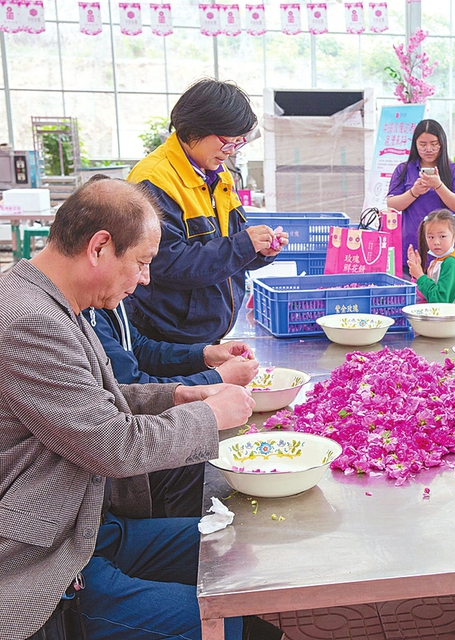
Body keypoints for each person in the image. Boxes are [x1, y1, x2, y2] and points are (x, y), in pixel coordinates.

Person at [0, 178, 282, 640]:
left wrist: (180, 396)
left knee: (240, 548)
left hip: (92, 529)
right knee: (226, 622)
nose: (146, 278)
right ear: (100, 247)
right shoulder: (29, 320)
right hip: (52, 558)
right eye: (142, 262)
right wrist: (211, 415)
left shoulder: (50, 299)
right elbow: (110, 444)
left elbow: (95, 399)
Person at [125, 78, 288, 345]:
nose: (231, 151)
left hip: (205, 332)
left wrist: (257, 251)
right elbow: (166, 263)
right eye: (227, 142)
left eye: (239, 142)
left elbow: (224, 243)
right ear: (195, 130)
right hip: (166, 336)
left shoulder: (216, 173)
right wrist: (241, 246)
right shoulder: (154, 180)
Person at [90, 300, 260, 518]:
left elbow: (137, 347)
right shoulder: (65, 318)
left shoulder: (104, 303)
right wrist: (214, 386)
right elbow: (126, 398)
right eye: (141, 265)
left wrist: (205, 355)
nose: (145, 280)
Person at [385, 119, 455, 258]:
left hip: (445, 249)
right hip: (411, 245)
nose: (428, 149)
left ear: (442, 144)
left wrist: (438, 185)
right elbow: (392, 205)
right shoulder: (404, 169)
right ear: (415, 145)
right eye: (422, 144)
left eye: (434, 144)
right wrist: (414, 192)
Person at [407, 208, 455, 305]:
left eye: (442, 236)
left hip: (454, 319)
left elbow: (439, 301)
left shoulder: (452, 263)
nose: (436, 242)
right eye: (431, 237)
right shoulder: (437, 261)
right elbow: (429, 293)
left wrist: (420, 275)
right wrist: (417, 269)